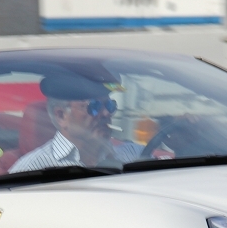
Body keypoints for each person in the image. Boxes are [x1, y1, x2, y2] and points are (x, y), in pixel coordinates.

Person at [9, 74, 143, 173]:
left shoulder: (135, 156)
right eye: (93, 106)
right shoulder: (31, 169)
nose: (106, 113)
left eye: (110, 105)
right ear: (61, 116)